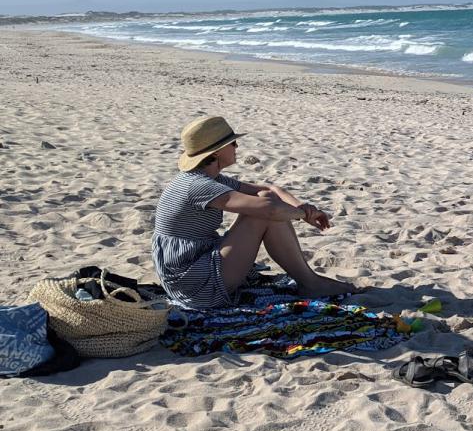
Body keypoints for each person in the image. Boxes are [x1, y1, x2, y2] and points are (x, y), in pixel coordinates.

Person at [152, 115, 358, 309]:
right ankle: (310, 283)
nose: (237, 146)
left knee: (266, 204)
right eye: (232, 143)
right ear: (215, 153)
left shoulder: (207, 178)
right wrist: (302, 215)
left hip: (195, 265)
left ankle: (309, 281)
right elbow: (269, 210)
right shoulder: (198, 186)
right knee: (262, 213)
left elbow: (269, 190)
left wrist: (304, 207)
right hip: (193, 286)